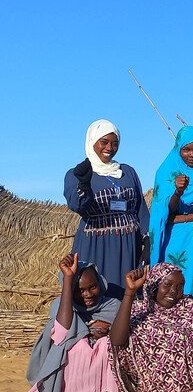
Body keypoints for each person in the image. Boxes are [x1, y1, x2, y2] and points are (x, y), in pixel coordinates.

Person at [12, 254, 123, 392]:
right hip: (71, 376)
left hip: (101, 377)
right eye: (79, 290)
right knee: (74, 344)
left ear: (100, 283)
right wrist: (68, 278)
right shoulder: (61, 305)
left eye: (92, 287)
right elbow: (62, 333)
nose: (88, 294)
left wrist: (108, 330)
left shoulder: (113, 306)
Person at [110, 263, 193, 392]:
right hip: (150, 391)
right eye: (167, 284)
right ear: (153, 285)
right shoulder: (139, 310)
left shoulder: (189, 307)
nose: (174, 291)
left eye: (180, 286)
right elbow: (117, 340)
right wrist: (130, 293)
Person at [65, 119, 150, 298]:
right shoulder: (77, 173)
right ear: (92, 142)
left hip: (129, 244)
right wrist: (84, 183)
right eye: (104, 142)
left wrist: (147, 238)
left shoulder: (127, 172)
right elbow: (77, 205)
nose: (110, 148)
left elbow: (139, 207)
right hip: (96, 244)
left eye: (115, 143)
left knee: (128, 295)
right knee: (95, 293)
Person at [148, 126, 193, 310]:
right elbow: (164, 216)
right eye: (186, 150)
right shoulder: (165, 173)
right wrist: (178, 192)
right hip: (173, 240)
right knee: (171, 284)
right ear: (178, 149)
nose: (192, 154)